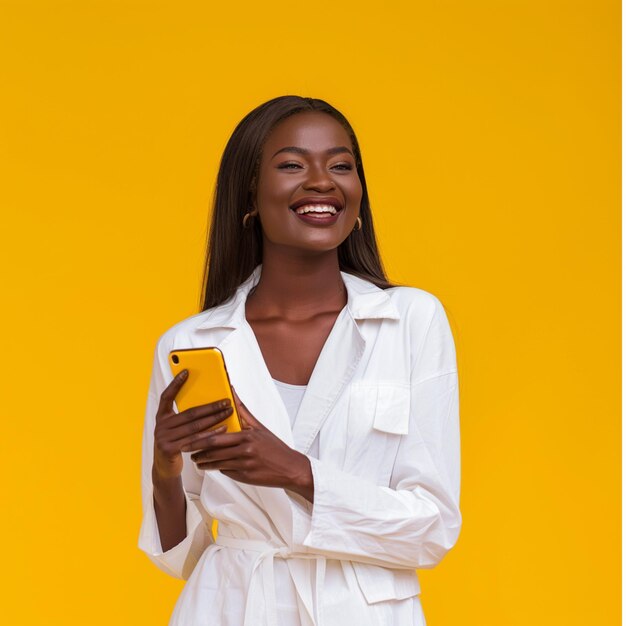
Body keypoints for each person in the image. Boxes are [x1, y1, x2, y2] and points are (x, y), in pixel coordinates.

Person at [138, 95, 461, 626]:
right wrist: (164, 473)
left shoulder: (410, 322)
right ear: (249, 193)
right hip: (229, 608)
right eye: (292, 164)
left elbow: (431, 530)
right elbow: (181, 557)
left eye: (341, 165)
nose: (322, 181)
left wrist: (296, 471)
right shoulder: (194, 340)